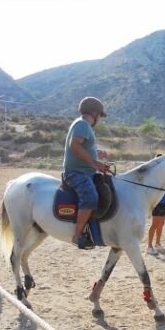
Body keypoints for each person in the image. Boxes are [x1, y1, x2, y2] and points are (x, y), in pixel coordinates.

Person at [63, 96, 111, 250]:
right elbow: (74, 146)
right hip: (76, 173)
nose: (100, 119)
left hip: (85, 171)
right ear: (94, 112)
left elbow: (84, 147)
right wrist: (95, 163)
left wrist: (97, 153)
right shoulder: (82, 125)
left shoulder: (84, 126)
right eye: (100, 115)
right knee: (91, 197)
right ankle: (78, 236)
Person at [146, 154, 165, 255]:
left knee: (161, 224)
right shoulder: (154, 174)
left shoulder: (164, 174)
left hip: (164, 201)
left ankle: (158, 244)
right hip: (157, 202)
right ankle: (149, 247)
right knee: (155, 224)